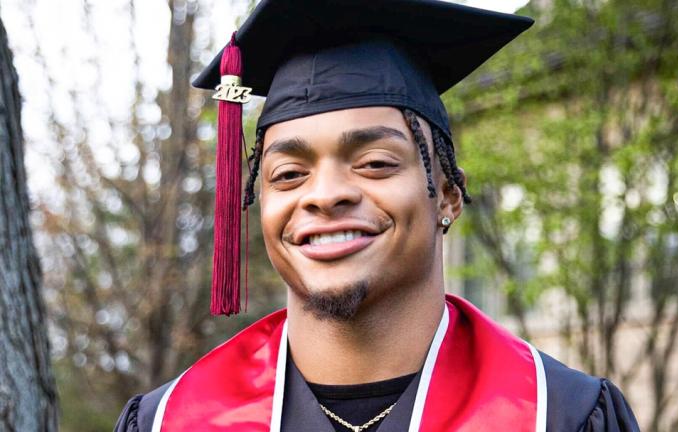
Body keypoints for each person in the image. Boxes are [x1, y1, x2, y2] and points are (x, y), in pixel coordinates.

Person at [115, 0, 641, 431]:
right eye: (288, 174)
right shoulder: (175, 420)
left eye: (374, 163)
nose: (325, 195)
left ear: (448, 195)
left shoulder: (560, 415)